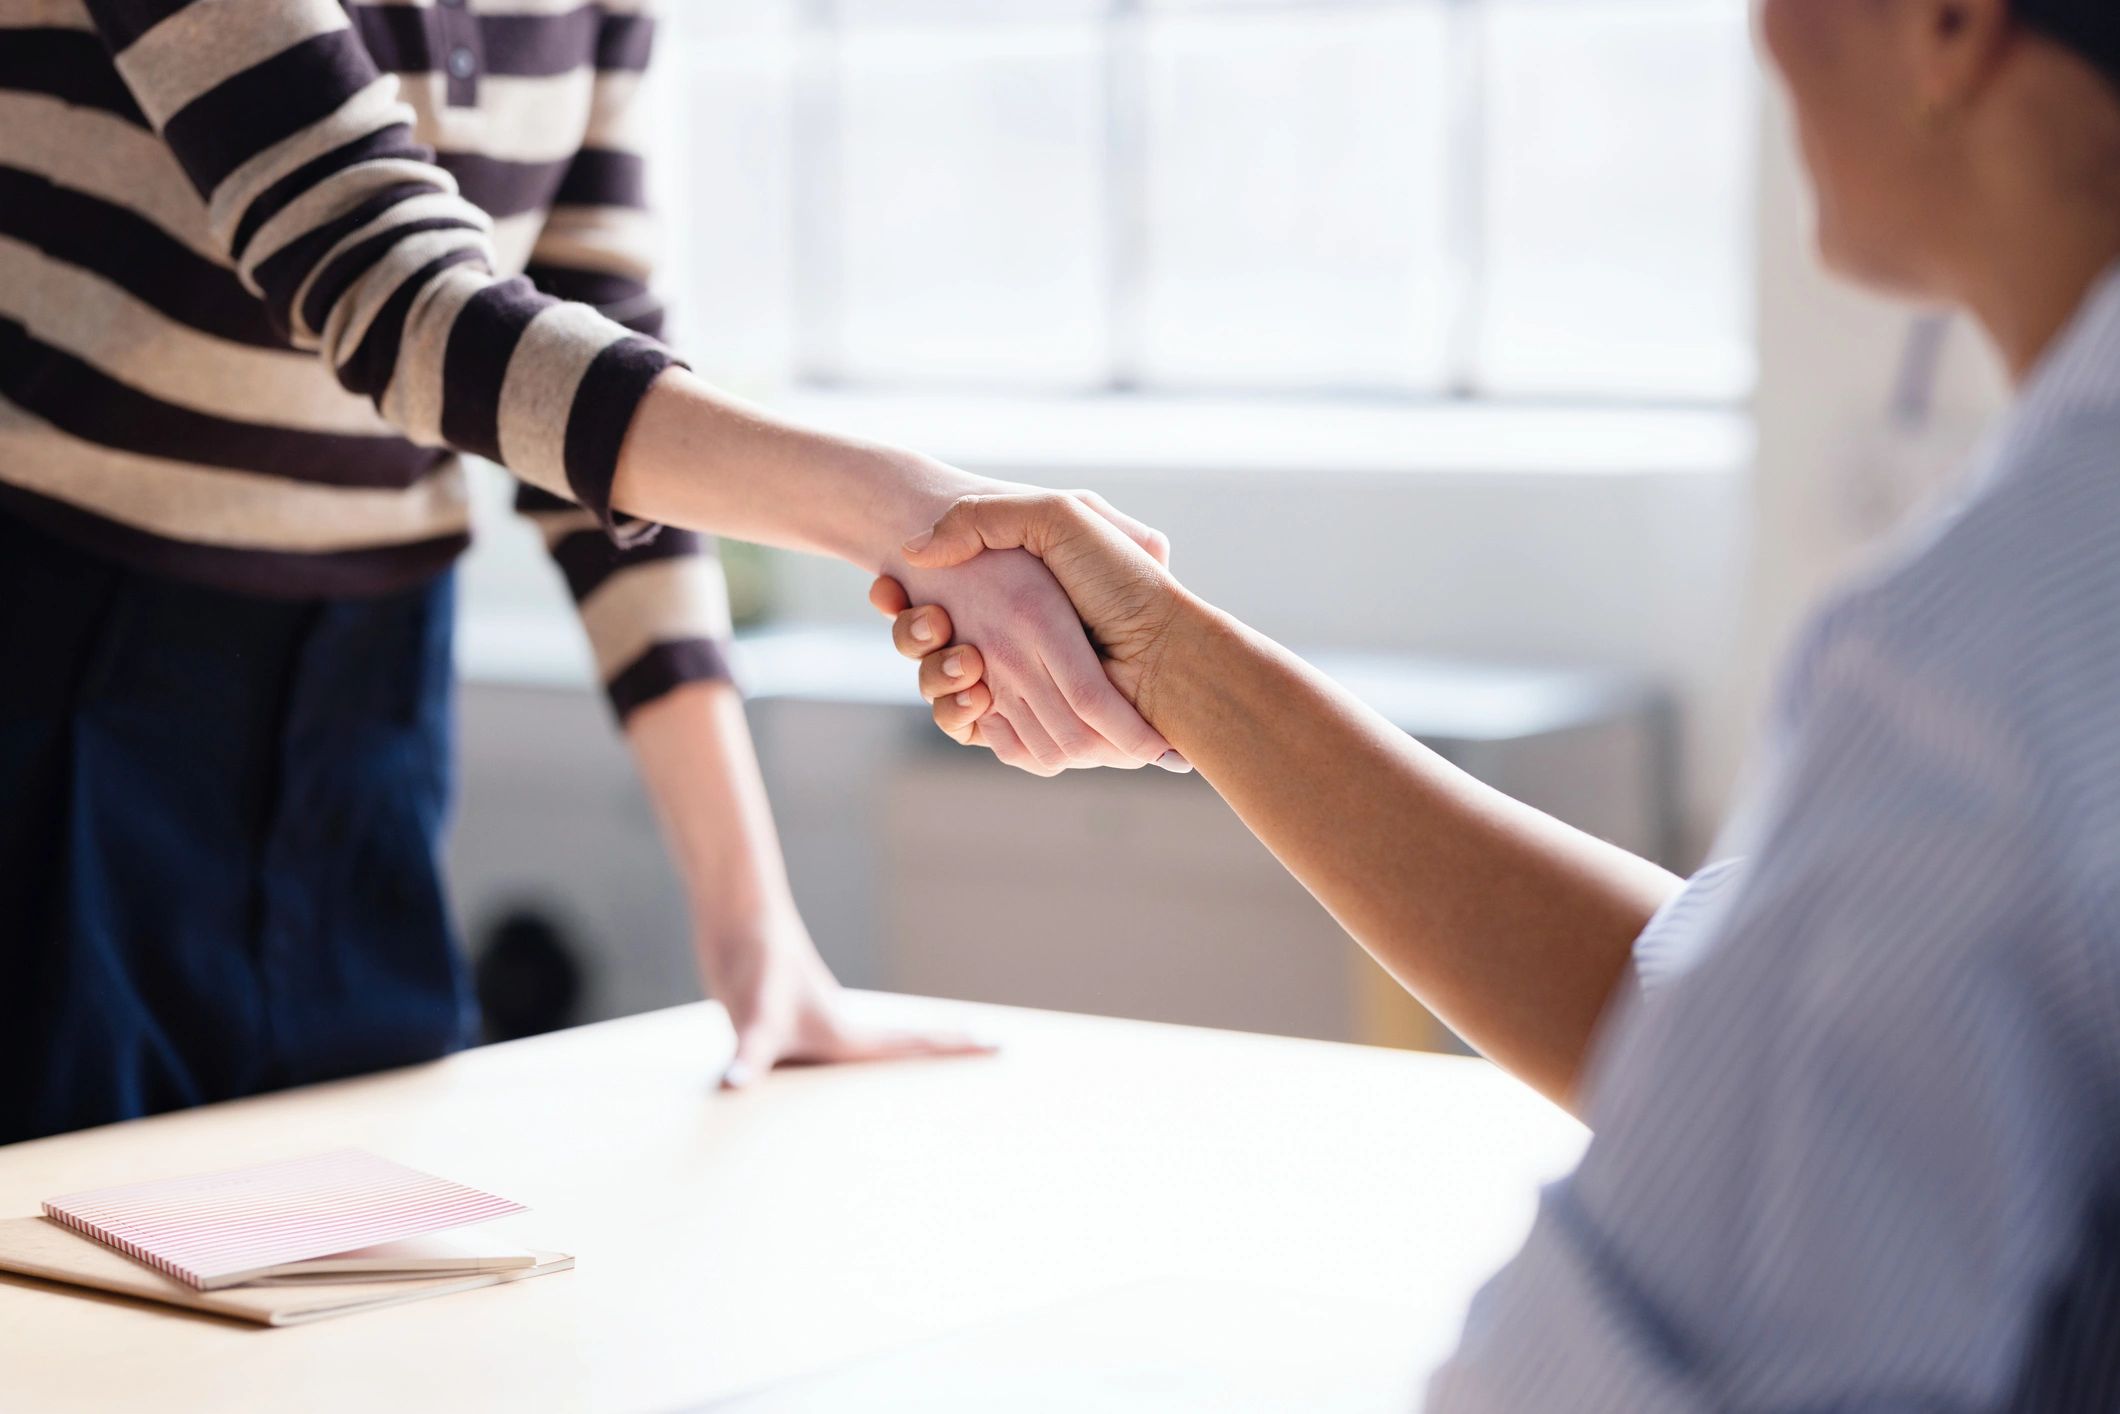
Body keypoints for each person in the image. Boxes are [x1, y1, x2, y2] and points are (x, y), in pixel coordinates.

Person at [877, 0, 2120, 1404]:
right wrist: (1167, 658)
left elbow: (1645, 1356)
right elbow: (1735, 1039)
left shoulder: (1998, 637)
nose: (1764, 38)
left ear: (1947, 24)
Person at [0, 0, 1182, 1146]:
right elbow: (390, 288)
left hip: (368, 687)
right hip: (65, 655)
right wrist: (919, 519)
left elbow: (594, 343)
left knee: (346, 1251)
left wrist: (752, 930)